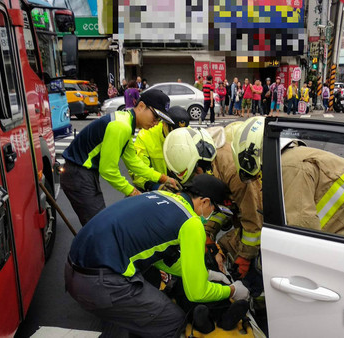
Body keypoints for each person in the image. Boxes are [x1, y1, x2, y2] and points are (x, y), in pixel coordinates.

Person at [65, 174, 250, 338]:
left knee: (152, 277)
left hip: (74, 270)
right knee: (171, 320)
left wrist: (206, 274)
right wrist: (233, 290)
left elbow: (161, 256)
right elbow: (197, 293)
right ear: (205, 202)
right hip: (99, 284)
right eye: (214, 210)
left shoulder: (161, 196)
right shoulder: (191, 223)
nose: (212, 215)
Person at [232, 116, 344, 247]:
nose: (260, 181)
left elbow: (300, 233)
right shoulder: (295, 158)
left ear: (254, 156)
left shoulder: (289, 167)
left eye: (257, 175)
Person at [60, 89, 179, 225]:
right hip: (78, 174)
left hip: (83, 173)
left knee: (98, 226)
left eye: (160, 120)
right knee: (99, 228)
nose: (156, 123)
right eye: (156, 116)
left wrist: (164, 178)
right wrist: (132, 192)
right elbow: (108, 170)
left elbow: (133, 162)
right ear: (141, 106)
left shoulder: (126, 122)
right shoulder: (121, 126)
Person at [163, 122, 263, 280]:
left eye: (194, 176)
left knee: (256, 269)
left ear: (199, 166)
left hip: (263, 217)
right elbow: (218, 206)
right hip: (237, 208)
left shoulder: (233, 170)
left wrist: (244, 258)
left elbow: (253, 218)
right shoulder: (191, 156)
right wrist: (207, 235)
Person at [131, 106, 191, 191]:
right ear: (164, 124)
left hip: (182, 183)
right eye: (173, 132)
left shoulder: (189, 133)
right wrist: (156, 186)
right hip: (157, 185)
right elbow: (137, 173)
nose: (178, 137)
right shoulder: (145, 137)